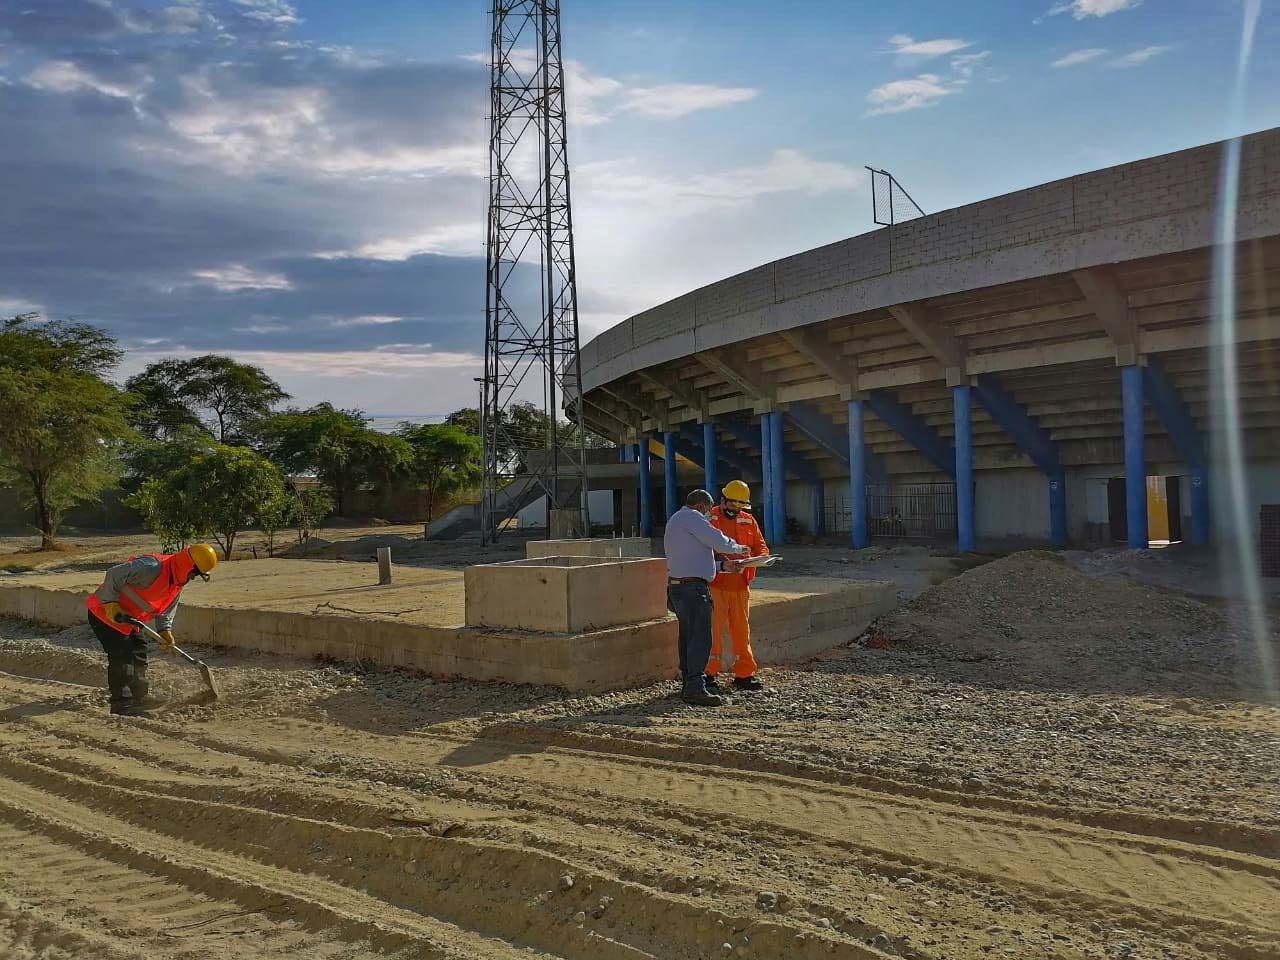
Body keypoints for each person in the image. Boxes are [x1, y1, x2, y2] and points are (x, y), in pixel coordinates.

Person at [84, 544, 218, 716]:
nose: (192, 578)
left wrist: (164, 630)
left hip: (128, 619)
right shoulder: (151, 566)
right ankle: (122, 705)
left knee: (139, 652)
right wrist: (110, 603)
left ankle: (140, 697)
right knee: (122, 656)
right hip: (104, 613)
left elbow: (166, 608)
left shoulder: (176, 582)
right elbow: (114, 574)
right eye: (194, 574)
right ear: (188, 565)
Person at [663, 489, 750, 706]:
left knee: (688, 637)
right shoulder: (692, 518)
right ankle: (695, 687)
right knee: (700, 638)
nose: (710, 515)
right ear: (701, 506)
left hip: (679, 587)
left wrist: (723, 566)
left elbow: (694, 559)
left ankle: (689, 683)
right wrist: (739, 548)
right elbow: (717, 540)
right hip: (693, 590)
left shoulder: (677, 521)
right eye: (708, 511)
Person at [705, 480, 769, 693]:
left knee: (742, 631)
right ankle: (709, 674)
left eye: (740, 507)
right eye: (732, 505)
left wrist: (759, 558)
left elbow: (761, 546)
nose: (735, 510)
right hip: (715, 584)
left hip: (740, 586)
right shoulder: (709, 519)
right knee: (713, 631)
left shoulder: (748, 520)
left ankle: (744, 674)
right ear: (723, 499)